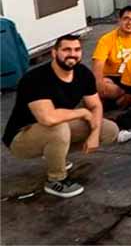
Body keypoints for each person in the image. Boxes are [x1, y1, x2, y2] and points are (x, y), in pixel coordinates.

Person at [3, 35, 118, 198]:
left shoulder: (82, 73)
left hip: (55, 128)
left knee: (108, 130)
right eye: (66, 50)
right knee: (58, 127)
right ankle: (55, 180)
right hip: (21, 137)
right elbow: (47, 118)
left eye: (77, 50)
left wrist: (94, 133)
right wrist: (82, 112)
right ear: (54, 53)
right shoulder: (35, 78)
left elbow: (95, 105)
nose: (72, 54)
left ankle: (55, 153)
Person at [92, 6, 131, 108]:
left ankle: (121, 100)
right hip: (113, 77)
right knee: (102, 87)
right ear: (119, 20)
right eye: (126, 19)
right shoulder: (106, 39)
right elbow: (98, 63)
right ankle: (126, 97)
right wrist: (98, 83)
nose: (130, 23)